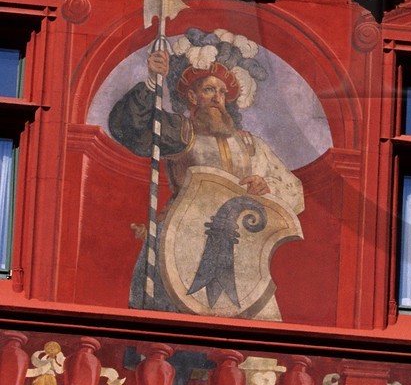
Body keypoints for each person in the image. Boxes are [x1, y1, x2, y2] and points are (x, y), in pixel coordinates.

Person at [109, 49, 304, 314]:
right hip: (181, 239)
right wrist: (153, 81)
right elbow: (129, 126)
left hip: (239, 245)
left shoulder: (250, 144)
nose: (217, 98)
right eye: (209, 90)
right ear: (191, 96)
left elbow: (294, 189)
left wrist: (267, 186)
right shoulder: (180, 132)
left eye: (222, 93)